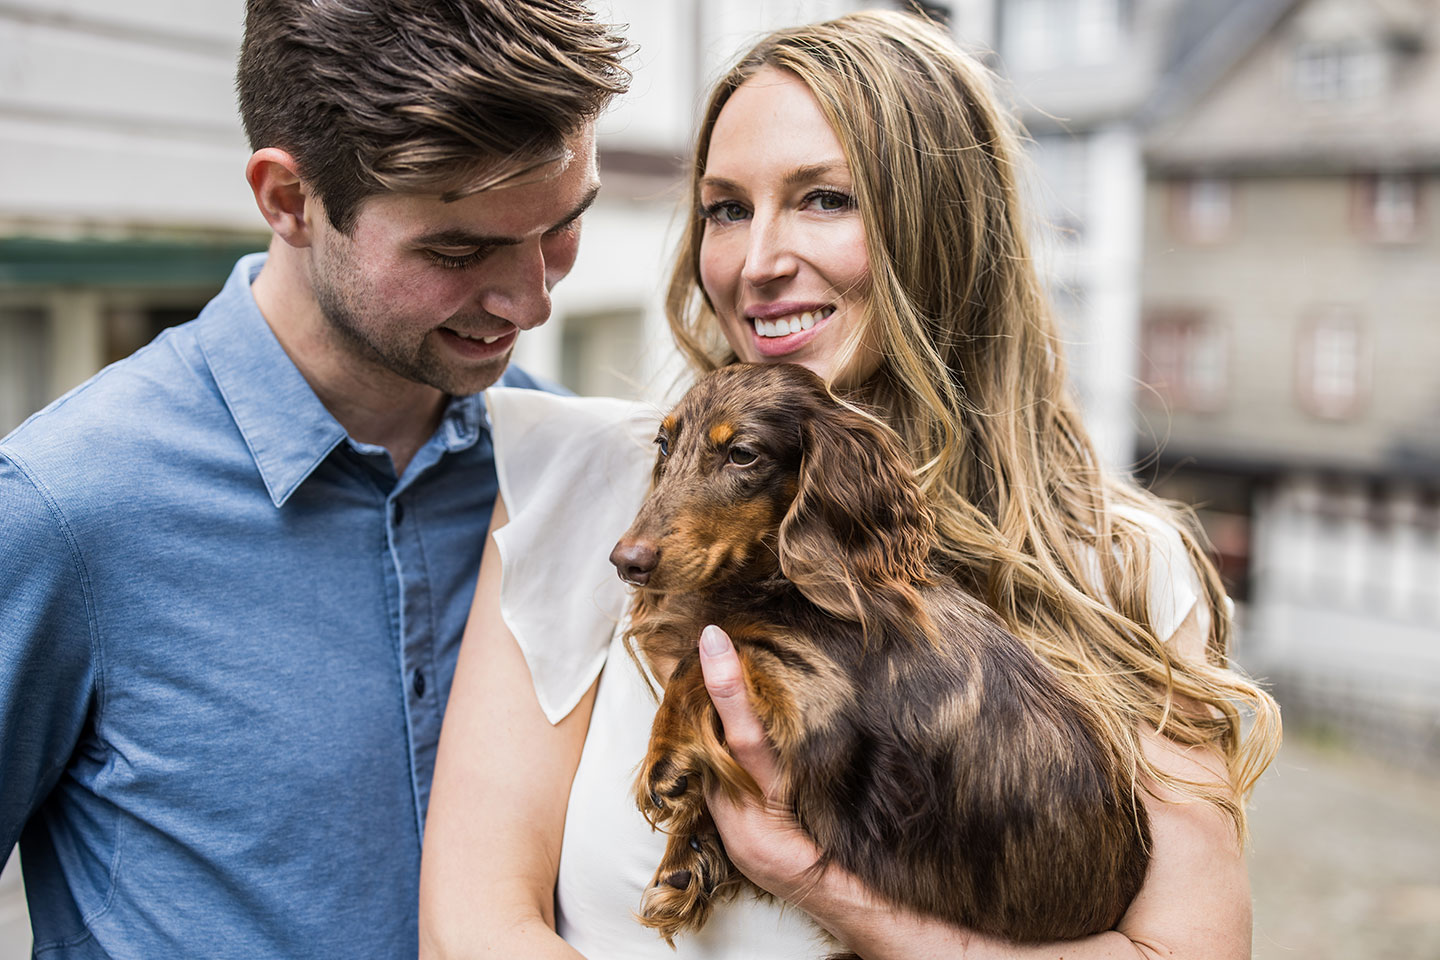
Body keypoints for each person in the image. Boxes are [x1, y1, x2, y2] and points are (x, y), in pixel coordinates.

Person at [419, 10, 1281, 960]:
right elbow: (475, 926)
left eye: (824, 199)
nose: (756, 264)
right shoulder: (584, 488)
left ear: (943, 225)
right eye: (727, 208)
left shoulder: (1114, 562)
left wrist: (814, 881)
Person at [0, 1, 627, 956]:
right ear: (289, 200)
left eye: (562, 229)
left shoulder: (560, 472)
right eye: (457, 251)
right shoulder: (65, 506)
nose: (533, 299)